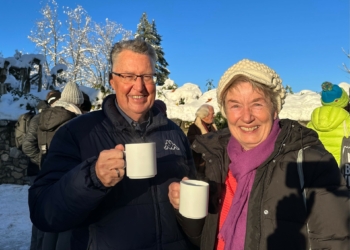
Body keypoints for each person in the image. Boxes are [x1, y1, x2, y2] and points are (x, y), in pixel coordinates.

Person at [29, 39, 199, 250]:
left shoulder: (174, 133)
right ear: (112, 80)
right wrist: (93, 177)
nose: (139, 86)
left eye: (147, 76)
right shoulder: (77, 133)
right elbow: (44, 213)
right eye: (128, 76)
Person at [169, 59, 350, 250]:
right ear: (226, 112)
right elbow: (205, 240)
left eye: (257, 104)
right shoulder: (215, 161)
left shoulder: (310, 164)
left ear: (274, 109)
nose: (246, 117)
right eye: (235, 105)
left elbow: (335, 243)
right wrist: (186, 208)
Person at [22, 89, 61, 250]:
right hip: (37, 172)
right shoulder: (39, 118)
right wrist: (43, 161)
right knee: (41, 215)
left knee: (45, 214)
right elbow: (27, 145)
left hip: (42, 171)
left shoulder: (50, 118)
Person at [307, 82, 350, 166]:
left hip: (319, 172)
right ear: (344, 100)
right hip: (342, 172)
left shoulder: (311, 124)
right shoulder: (347, 120)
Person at [187, 104, 217, 179]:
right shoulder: (194, 128)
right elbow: (194, 144)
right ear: (205, 115)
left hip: (212, 167)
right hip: (200, 167)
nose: (214, 116)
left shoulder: (212, 127)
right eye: (212, 114)